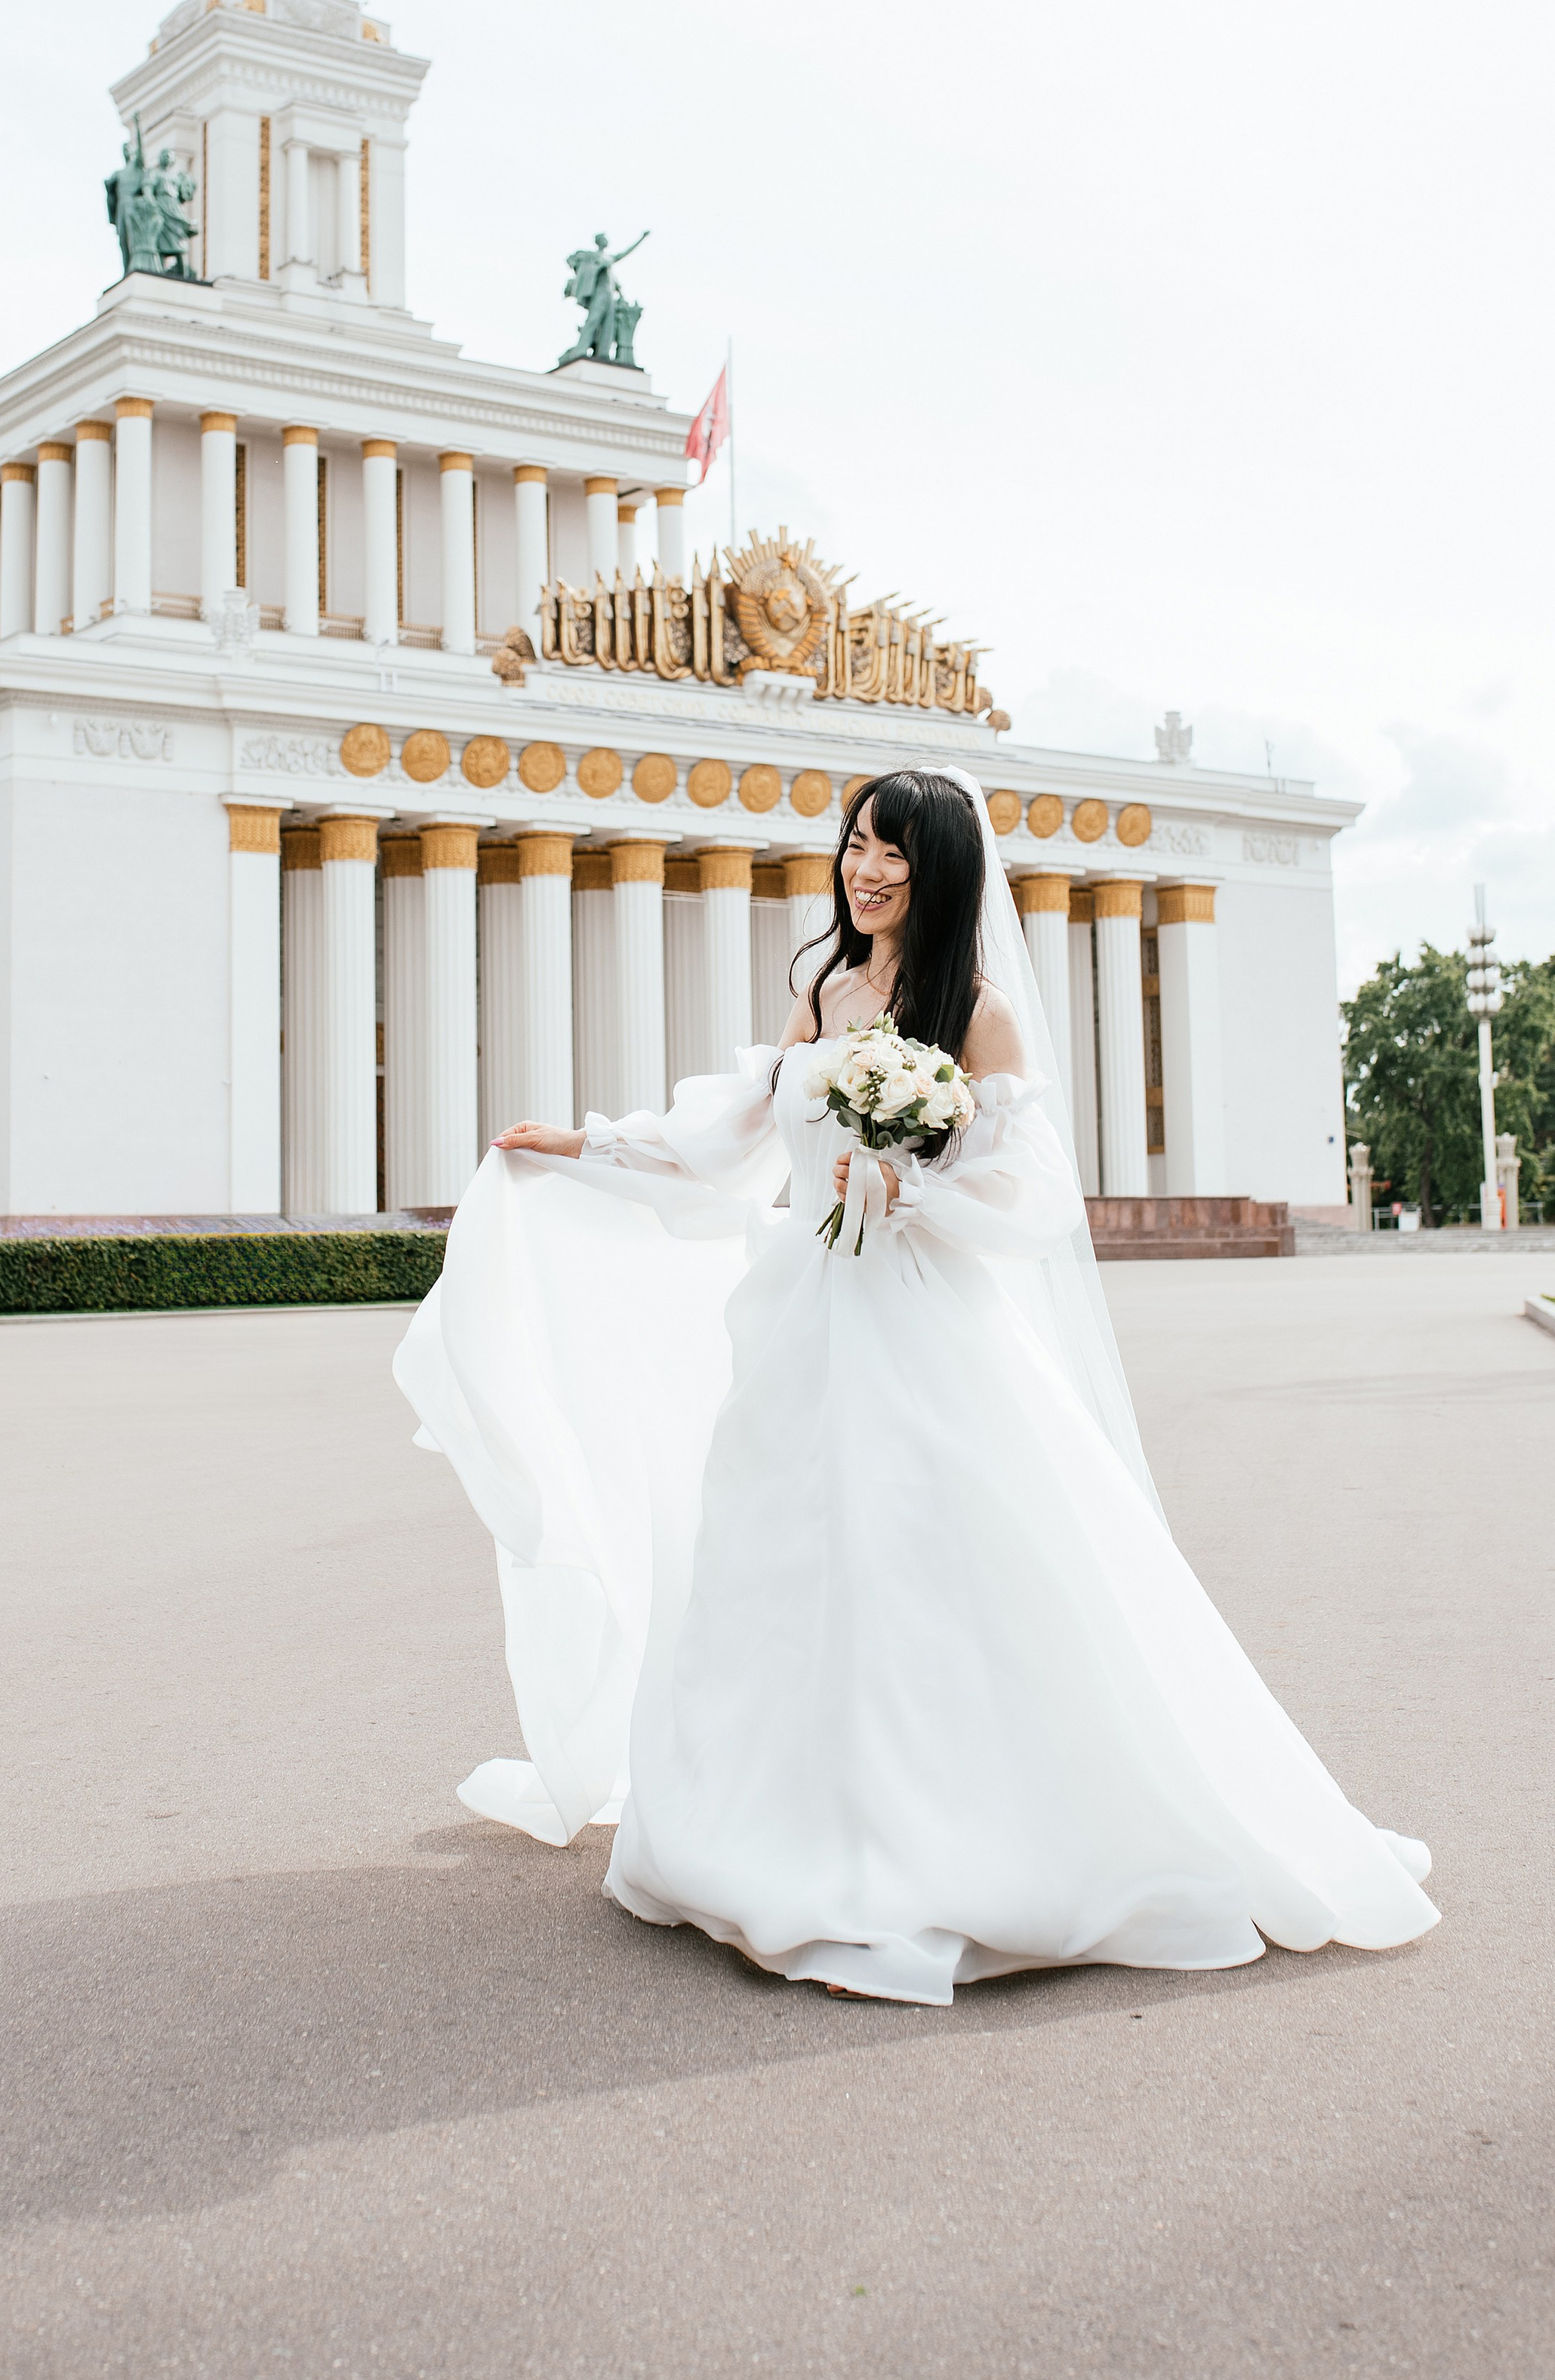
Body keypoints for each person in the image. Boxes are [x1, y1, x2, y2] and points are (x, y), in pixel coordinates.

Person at [396, 766, 1436, 2005]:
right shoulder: (823, 987)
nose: (864, 866)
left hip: (924, 1325)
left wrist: (913, 1188)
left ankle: (932, 1853)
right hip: (806, 1321)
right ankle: (777, 1835)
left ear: (939, 870)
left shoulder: (979, 1012)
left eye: (891, 850)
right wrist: (590, 1144)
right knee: (783, 1563)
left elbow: (1032, 1194)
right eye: (855, 842)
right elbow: (738, 1130)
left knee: (920, 1567)